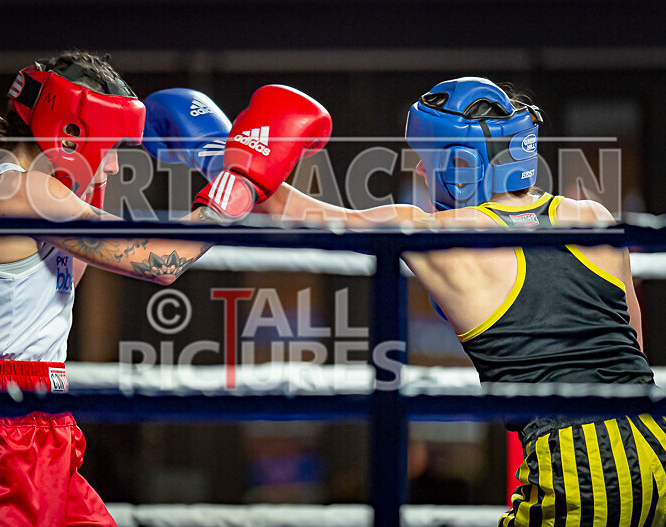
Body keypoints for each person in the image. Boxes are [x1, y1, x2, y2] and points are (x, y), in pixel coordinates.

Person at [0, 50, 331, 526]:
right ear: (72, 134)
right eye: (113, 144)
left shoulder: (17, 189)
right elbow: (159, 260)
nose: (116, 165)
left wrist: (89, 185)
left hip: (39, 423)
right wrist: (240, 181)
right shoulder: (22, 192)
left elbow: (76, 267)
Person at [251, 77, 665, 527]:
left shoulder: (438, 237)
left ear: (459, 164)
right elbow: (634, 350)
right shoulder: (594, 218)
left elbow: (290, 209)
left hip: (577, 470)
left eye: (427, 162)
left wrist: (228, 154)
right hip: (657, 444)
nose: (423, 175)